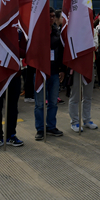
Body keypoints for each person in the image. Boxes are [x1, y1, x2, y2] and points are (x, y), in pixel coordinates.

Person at [0, 28, 25, 150]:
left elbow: (25, 52)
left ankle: (11, 135)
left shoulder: (19, 32)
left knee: (12, 108)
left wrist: (11, 47)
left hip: (13, 75)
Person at [34, 8, 65, 140]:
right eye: (49, 16)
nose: (52, 18)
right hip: (40, 72)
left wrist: (62, 69)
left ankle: (51, 126)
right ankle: (40, 129)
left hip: (54, 72)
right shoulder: (37, 32)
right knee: (40, 104)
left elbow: (62, 51)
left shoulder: (57, 32)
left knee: (53, 102)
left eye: (53, 16)